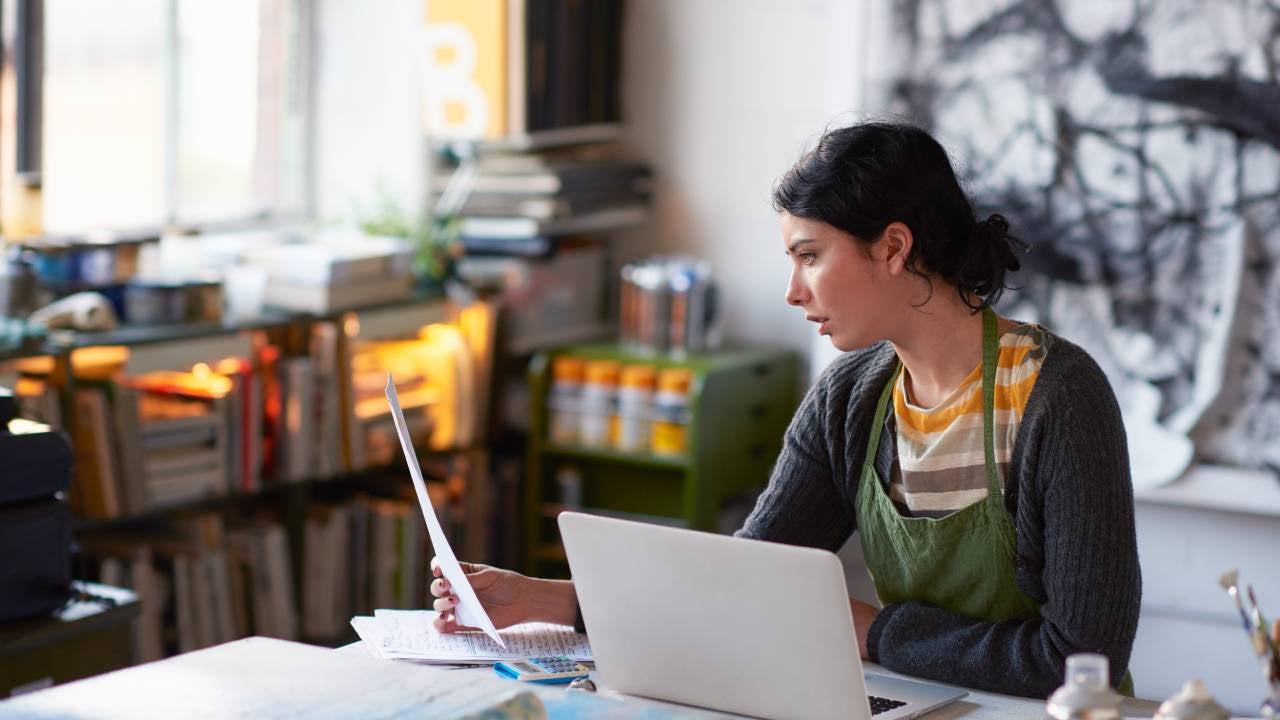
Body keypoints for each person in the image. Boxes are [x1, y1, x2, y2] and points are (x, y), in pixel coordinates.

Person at [429, 121, 1142, 700]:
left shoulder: (1058, 397)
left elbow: (1081, 661)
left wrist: (871, 633)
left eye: (810, 256)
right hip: (923, 700)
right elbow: (741, 584)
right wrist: (550, 602)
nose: (793, 292)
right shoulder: (851, 397)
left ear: (894, 246)